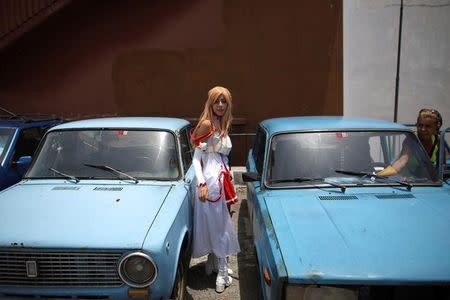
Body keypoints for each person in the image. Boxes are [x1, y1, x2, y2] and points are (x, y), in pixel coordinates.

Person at [190, 86, 240, 293]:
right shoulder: (206, 124)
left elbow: (222, 155)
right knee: (220, 226)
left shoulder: (221, 123)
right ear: (210, 102)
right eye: (217, 101)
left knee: (220, 223)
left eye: (224, 101)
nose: (220, 105)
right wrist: (201, 183)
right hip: (210, 183)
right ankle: (221, 270)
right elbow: (196, 159)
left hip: (222, 180)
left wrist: (227, 172)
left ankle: (213, 262)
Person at [378, 108, 443, 176]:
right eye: (420, 125)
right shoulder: (411, 139)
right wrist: (379, 176)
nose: (423, 129)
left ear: (436, 129)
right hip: (407, 182)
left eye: (428, 126)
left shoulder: (438, 141)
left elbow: (442, 166)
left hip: (428, 182)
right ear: (416, 125)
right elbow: (402, 161)